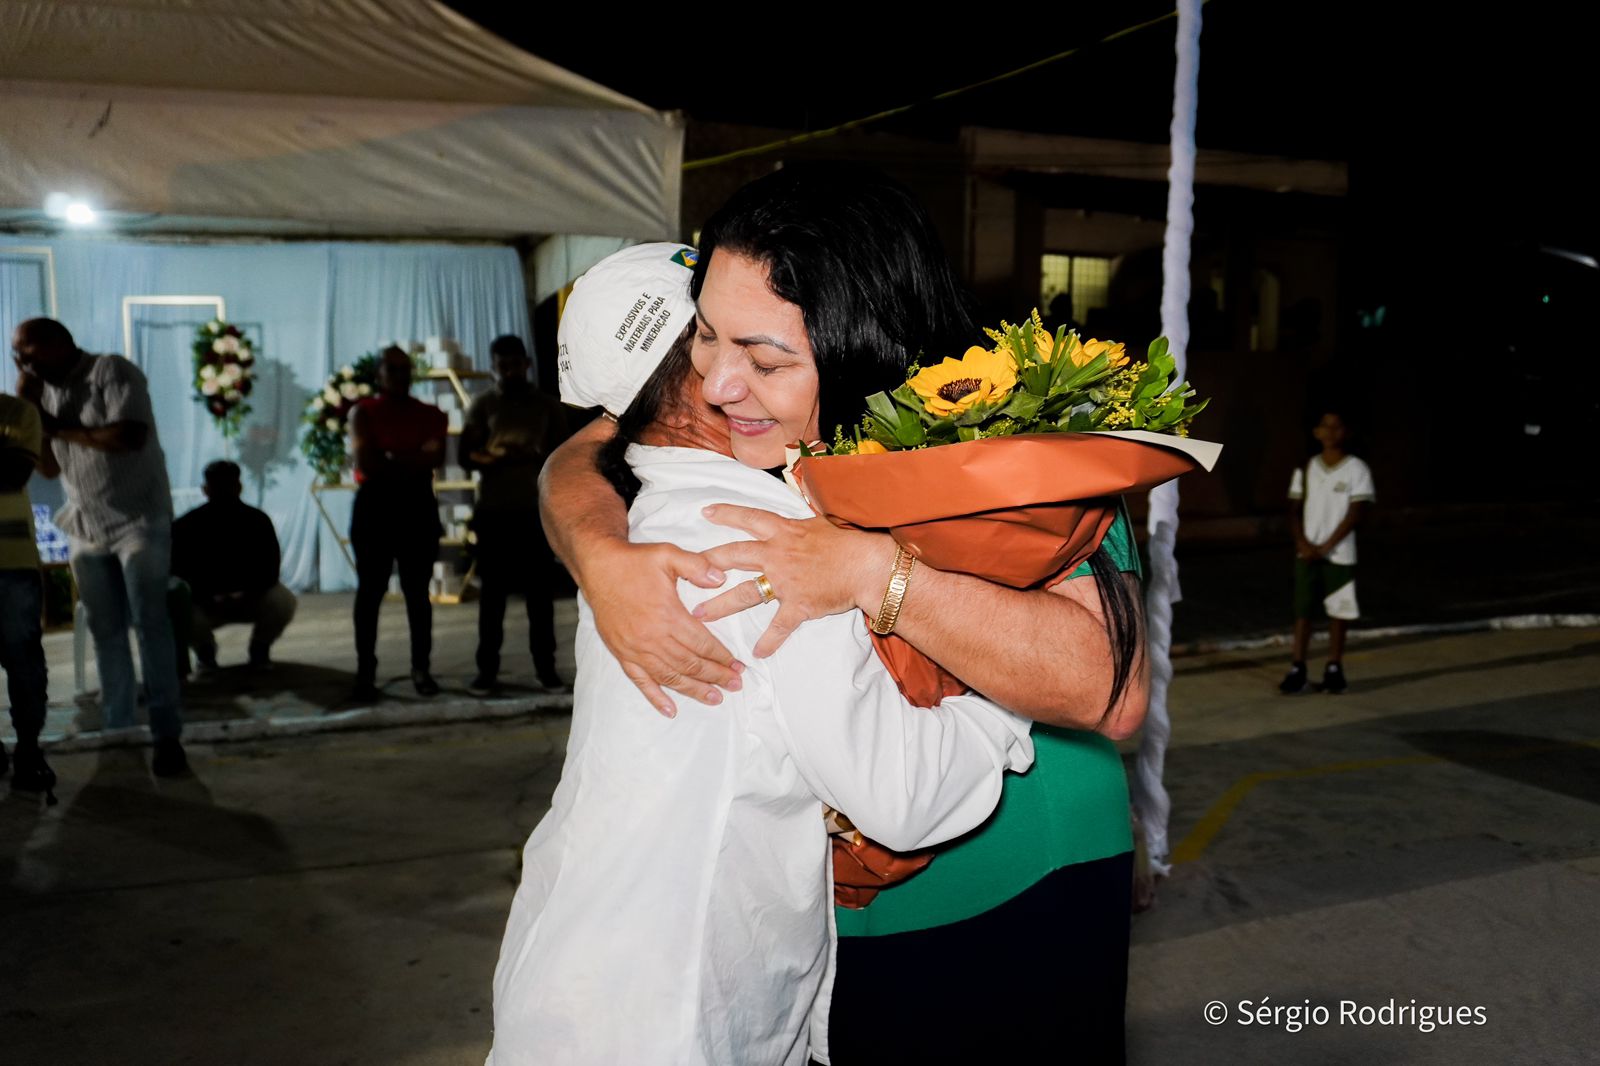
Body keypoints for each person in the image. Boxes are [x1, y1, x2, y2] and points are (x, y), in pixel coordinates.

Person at [536, 168, 1148, 1063]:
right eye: (704, 337)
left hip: (1016, 874)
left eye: (767, 358)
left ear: (866, 339)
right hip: (817, 919)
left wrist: (872, 570)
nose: (714, 386)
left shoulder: (1008, 430)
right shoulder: (746, 426)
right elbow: (583, 448)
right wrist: (602, 559)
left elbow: (1113, 691)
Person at [488, 244, 1033, 1066]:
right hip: (669, 1019)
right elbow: (906, 794)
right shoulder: (753, 543)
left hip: (589, 983)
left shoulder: (661, 520)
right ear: (699, 374)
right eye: (725, 340)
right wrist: (1011, 678)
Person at [11, 318, 187, 777]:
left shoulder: (110, 371)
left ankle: (167, 735)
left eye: (28, 353)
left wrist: (52, 423)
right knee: (107, 632)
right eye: (17, 355)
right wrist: (33, 418)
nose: (22, 363)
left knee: (151, 623)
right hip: (86, 523)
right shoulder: (44, 392)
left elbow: (129, 436)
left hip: (139, 519)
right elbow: (49, 469)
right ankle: (119, 730)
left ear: (59, 344)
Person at [460, 335, 567, 695]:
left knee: (540, 597)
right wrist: (500, 458)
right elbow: (465, 456)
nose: (509, 371)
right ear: (493, 367)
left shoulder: (548, 407)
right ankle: (486, 671)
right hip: (494, 512)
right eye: (501, 365)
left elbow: (564, 459)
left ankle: (546, 670)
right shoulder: (483, 405)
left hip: (535, 513)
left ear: (527, 364)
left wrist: (534, 458)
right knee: (492, 597)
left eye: (514, 363)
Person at [347, 346, 447, 701]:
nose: (399, 375)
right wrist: (413, 458)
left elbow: (435, 457)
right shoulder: (364, 412)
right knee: (370, 592)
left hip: (416, 506)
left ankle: (421, 667)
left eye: (404, 369)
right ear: (379, 374)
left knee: (417, 594)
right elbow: (367, 461)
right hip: (377, 506)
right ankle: (365, 671)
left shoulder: (431, 413)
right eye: (392, 369)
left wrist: (389, 457)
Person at [1280, 408, 1374, 694]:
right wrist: (1303, 544)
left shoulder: (1357, 469)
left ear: (1346, 432)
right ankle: (1298, 665)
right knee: (1303, 610)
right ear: (1316, 432)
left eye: (1337, 427)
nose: (1331, 432)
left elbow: (1355, 513)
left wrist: (1327, 546)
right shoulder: (1306, 468)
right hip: (1307, 552)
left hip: (1339, 553)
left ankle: (1334, 666)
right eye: (1325, 426)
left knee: (1339, 611)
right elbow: (1293, 511)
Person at [172, 459, 297, 671]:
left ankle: (260, 648)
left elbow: (270, 568)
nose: (224, 491)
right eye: (218, 486)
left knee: (283, 601)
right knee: (178, 608)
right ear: (206, 489)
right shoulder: (187, 525)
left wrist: (246, 592)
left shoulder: (257, 520)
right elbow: (178, 572)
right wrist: (209, 595)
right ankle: (205, 652)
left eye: (227, 485)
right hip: (206, 602)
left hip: (250, 597)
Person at [0, 385, 54, 793]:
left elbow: (14, 472)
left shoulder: (19, 413)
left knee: (24, 664)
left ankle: (29, 751)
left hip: (11, 562)